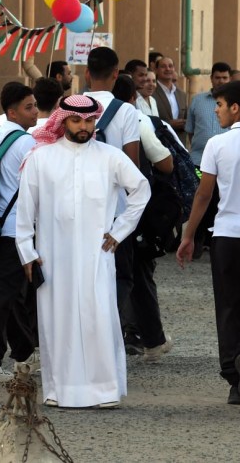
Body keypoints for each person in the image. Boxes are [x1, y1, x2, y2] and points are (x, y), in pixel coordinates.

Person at [15, 94, 151, 408]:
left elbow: (141, 189)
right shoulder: (40, 158)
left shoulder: (110, 156)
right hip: (53, 255)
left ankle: (104, 390)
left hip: (97, 254)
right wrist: (26, 251)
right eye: (76, 120)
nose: (83, 127)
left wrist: (120, 230)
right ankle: (57, 389)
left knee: (98, 317)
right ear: (63, 120)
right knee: (57, 321)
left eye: (89, 121)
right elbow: (25, 209)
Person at [176, 80, 240, 405]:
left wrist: (189, 234)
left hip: (225, 236)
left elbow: (204, 194)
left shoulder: (216, 145)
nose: (216, 111)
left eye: (219, 105)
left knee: (228, 307)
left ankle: (235, 382)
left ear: (235, 108)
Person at [0, 82, 40, 383]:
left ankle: (24, 353)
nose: (35, 112)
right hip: (14, 228)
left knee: (9, 294)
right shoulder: (25, 142)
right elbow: (35, 187)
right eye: (29, 107)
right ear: (12, 112)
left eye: (35, 105)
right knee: (4, 297)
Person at [82, 47, 143, 353]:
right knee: (120, 276)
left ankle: (84, 332)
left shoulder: (71, 107)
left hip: (80, 209)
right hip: (116, 212)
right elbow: (132, 163)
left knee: (83, 273)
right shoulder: (126, 111)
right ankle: (107, 335)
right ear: (117, 74)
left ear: (86, 73)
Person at [114, 74, 176, 362]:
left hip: (89, 211)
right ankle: (149, 339)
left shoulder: (81, 115)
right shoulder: (136, 118)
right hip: (131, 211)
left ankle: (128, 335)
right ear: (132, 97)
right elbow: (165, 162)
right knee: (137, 274)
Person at [185, 62, 232, 167]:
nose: (221, 81)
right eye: (217, 78)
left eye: (225, 78)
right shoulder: (197, 100)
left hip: (226, 163)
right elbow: (190, 130)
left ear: (230, 79)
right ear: (211, 78)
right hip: (198, 161)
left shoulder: (235, 103)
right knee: (197, 179)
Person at [153, 55, 187, 131]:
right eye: (163, 66)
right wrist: (168, 124)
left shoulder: (182, 94)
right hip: (160, 136)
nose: (167, 69)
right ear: (156, 70)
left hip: (179, 137)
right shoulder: (151, 92)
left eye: (170, 66)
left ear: (174, 69)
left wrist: (184, 122)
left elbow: (187, 118)